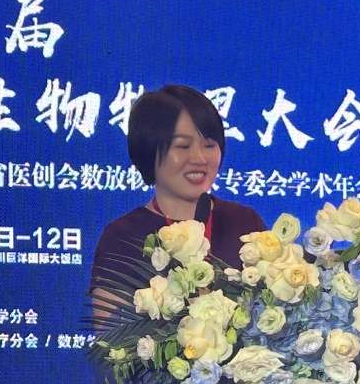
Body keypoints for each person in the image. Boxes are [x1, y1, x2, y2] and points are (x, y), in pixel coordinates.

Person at [91, 84, 267, 319]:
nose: (199, 158)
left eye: (209, 145)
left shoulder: (245, 222)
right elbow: (111, 333)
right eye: (183, 146)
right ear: (149, 151)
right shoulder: (122, 236)